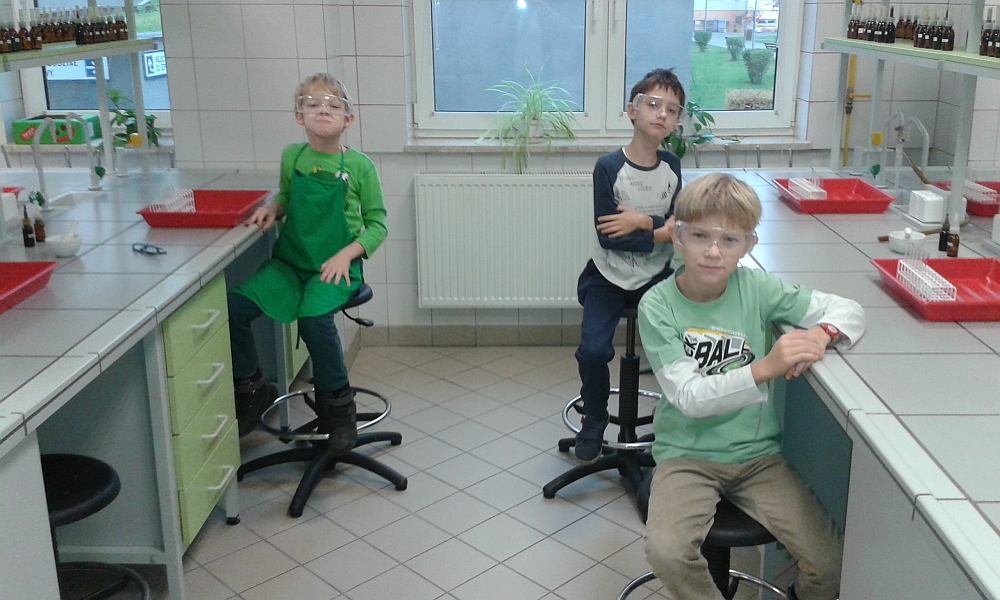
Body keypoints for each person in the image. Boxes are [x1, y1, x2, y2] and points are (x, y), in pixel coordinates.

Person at [637, 173, 866, 600]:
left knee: (831, 562)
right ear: (677, 236)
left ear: (748, 246)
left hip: (757, 456)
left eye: (729, 240)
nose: (713, 251)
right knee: (667, 551)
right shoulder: (657, 305)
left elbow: (848, 309)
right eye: (700, 236)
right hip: (686, 455)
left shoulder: (756, 287)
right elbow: (688, 397)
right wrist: (765, 368)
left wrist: (822, 334)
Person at [228, 72, 387, 453]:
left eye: (333, 105)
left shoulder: (360, 167)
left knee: (315, 321)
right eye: (312, 104)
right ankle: (252, 387)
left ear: (348, 119)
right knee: (233, 307)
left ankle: (340, 408)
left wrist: (347, 254)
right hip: (291, 263)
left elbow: (378, 225)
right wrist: (274, 208)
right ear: (299, 116)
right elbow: (287, 195)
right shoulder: (293, 157)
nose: (323, 110)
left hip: (335, 266)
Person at [573, 68, 685, 461]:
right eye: (653, 104)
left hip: (656, 276)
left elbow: (679, 227)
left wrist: (640, 222)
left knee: (677, 346)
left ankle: (675, 423)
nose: (662, 114)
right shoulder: (608, 167)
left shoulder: (671, 166)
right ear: (632, 111)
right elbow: (610, 236)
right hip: (607, 276)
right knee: (593, 349)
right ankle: (594, 418)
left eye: (672, 109)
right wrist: (658, 230)